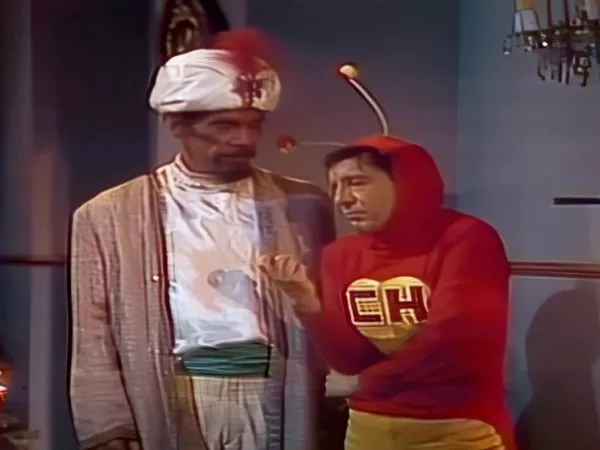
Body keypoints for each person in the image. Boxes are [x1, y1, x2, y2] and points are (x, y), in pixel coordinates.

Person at [68, 29, 335, 450]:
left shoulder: (303, 205)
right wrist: (107, 427)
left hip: (276, 391)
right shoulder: (108, 214)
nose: (244, 140)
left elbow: (327, 314)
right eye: (224, 125)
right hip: (171, 393)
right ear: (177, 123)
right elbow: (93, 335)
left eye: (253, 125)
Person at [263, 134, 516, 449]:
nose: (342, 199)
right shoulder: (340, 255)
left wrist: (365, 382)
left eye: (357, 182)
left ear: (406, 182)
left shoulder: (466, 238)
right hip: (367, 426)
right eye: (335, 187)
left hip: (456, 426)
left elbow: (453, 339)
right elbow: (348, 360)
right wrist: (307, 301)